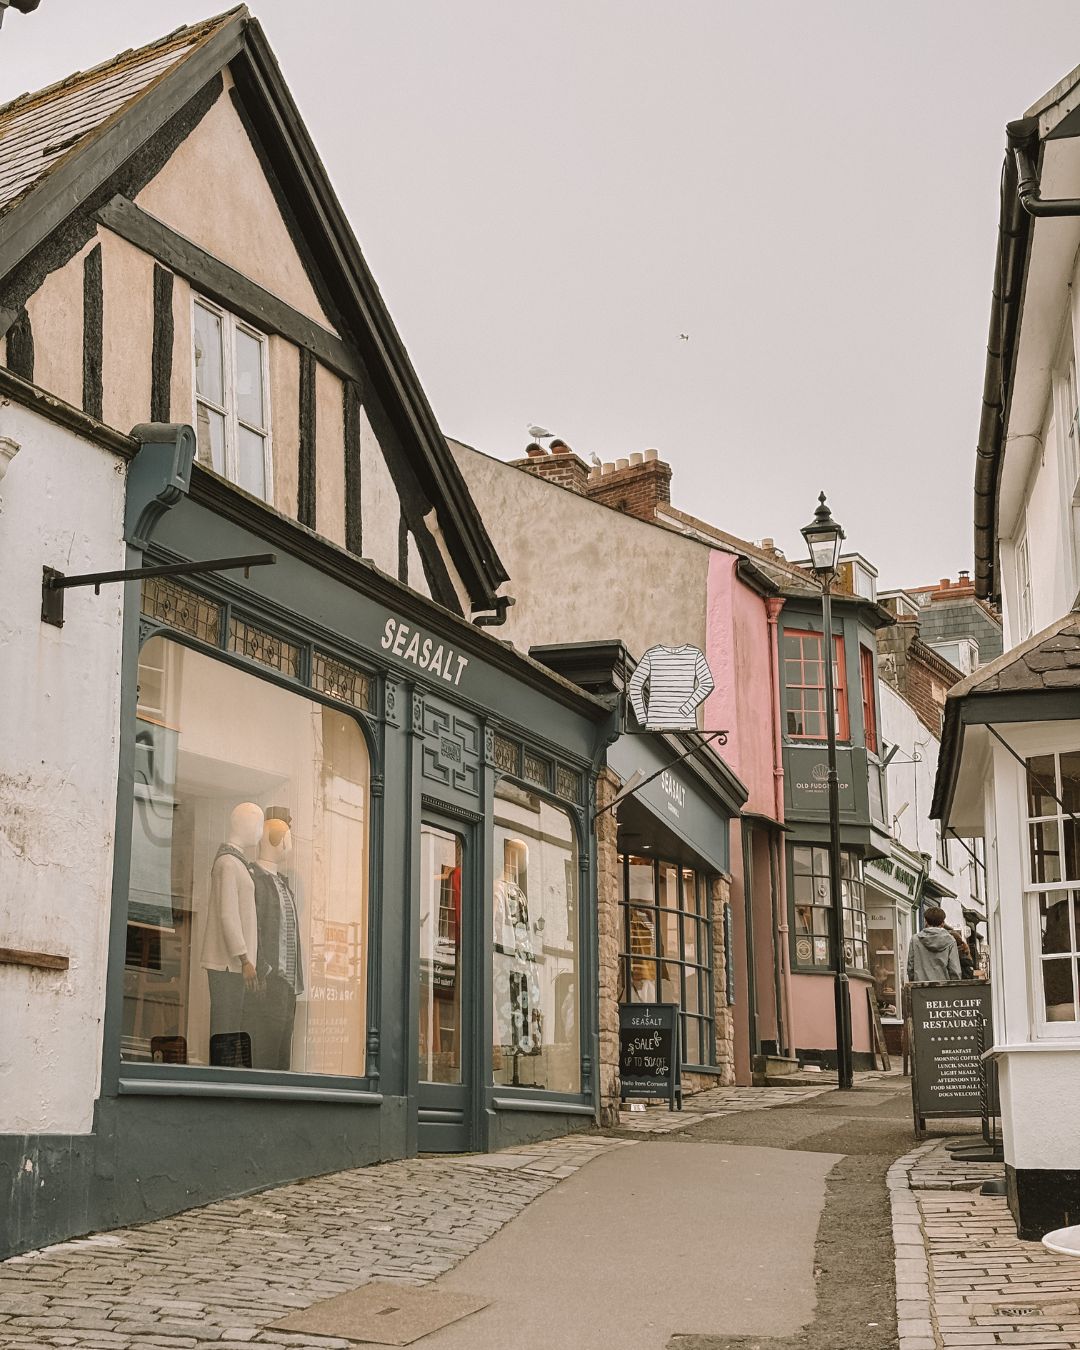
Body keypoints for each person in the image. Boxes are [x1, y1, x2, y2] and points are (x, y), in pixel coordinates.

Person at [906, 906, 960, 983]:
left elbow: (910, 967)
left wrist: (913, 983)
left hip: (920, 988)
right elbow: (955, 970)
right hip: (943, 988)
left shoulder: (915, 939)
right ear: (942, 923)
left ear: (926, 921)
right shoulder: (950, 940)